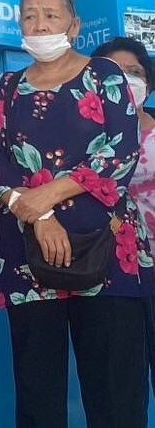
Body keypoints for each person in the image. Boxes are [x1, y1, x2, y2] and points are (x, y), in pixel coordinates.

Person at [0, 0, 148, 428]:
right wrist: (39, 215)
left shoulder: (105, 76)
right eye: (29, 16)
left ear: (74, 26)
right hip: (28, 259)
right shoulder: (5, 88)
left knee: (115, 392)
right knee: (37, 394)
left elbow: (121, 152)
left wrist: (50, 195)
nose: (40, 25)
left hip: (106, 252)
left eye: (51, 16)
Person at [92, 37, 155, 398]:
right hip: (114, 277)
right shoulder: (85, 138)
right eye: (116, 72)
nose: (127, 80)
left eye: (135, 72)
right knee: (122, 389)